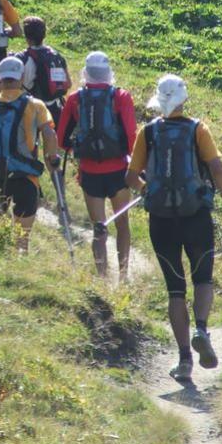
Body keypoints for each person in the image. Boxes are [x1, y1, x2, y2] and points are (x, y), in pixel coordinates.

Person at [125, 74, 222, 383]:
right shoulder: (198, 129)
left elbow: (131, 177)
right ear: (184, 99)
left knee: (175, 289)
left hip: (161, 220)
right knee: (203, 277)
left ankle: (185, 359)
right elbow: (216, 167)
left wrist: (149, 189)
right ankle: (201, 327)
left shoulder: (147, 133)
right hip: (196, 215)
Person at [0, 56, 60, 252]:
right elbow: (49, 133)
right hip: (26, 176)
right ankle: (20, 263)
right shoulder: (35, 105)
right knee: (22, 240)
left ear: (0, 77)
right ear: (21, 77)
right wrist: (52, 158)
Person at [58, 52, 136, 279]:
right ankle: (123, 276)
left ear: (86, 72)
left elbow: (61, 138)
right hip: (118, 172)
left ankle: (102, 277)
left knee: (98, 228)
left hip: (89, 173)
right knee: (123, 225)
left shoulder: (74, 99)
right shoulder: (121, 96)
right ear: (108, 72)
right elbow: (131, 134)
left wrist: (79, 152)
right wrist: (134, 162)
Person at [16, 16, 71, 131]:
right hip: (55, 107)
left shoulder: (24, 58)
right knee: (53, 140)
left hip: (32, 106)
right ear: (44, 35)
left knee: (31, 142)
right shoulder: (56, 56)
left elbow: (19, 85)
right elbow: (68, 84)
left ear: (26, 37)